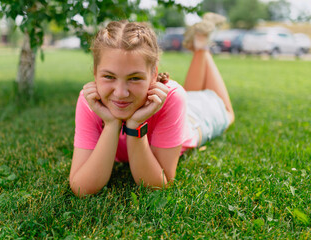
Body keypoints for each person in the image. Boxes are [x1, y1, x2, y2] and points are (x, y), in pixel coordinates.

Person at [70, 17, 234, 197]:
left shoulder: (172, 97)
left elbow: (157, 184)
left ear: (153, 74)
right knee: (190, 93)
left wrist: (135, 126)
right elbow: (81, 188)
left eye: (134, 78)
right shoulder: (89, 101)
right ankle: (200, 44)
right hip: (177, 106)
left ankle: (202, 48)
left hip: (195, 119)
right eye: (109, 77)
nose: (120, 93)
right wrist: (111, 124)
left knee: (226, 112)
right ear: (94, 73)